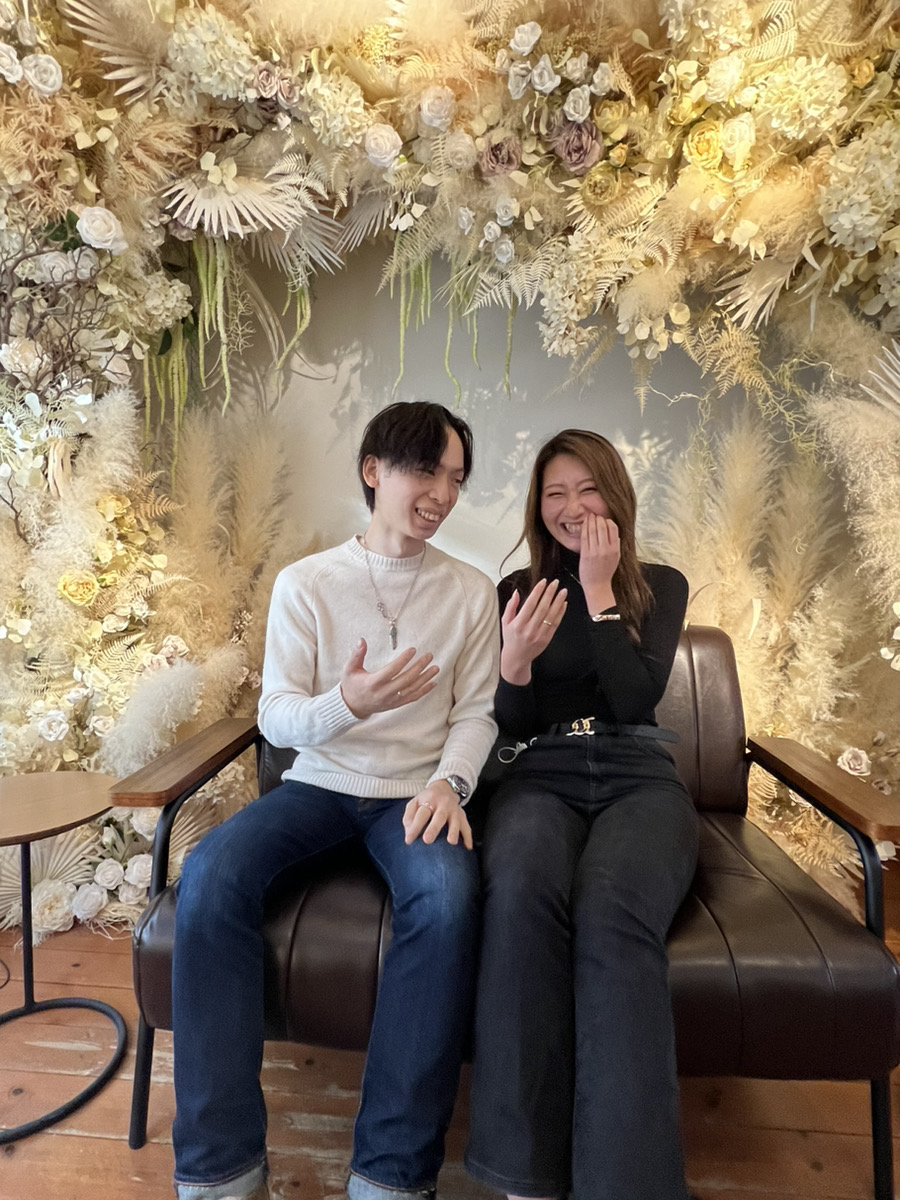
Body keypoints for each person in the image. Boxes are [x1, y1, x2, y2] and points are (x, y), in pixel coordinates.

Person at [171, 401, 500, 1200]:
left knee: (447, 901)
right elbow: (276, 717)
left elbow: (476, 715)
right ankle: (220, 1168)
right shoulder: (307, 582)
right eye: (425, 471)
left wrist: (449, 784)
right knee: (210, 875)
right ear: (373, 471)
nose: (442, 494)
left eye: (456, 478)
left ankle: (391, 1174)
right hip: (318, 785)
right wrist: (347, 703)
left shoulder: (470, 591)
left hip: (414, 794)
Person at [464, 429, 699, 1200]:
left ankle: (625, 1185)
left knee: (612, 906)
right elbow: (516, 724)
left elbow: (634, 701)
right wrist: (513, 664)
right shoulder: (518, 589)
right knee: (520, 891)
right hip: (543, 772)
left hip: (638, 773)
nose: (571, 507)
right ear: (539, 506)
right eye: (555, 493)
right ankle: (523, 1174)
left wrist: (600, 595)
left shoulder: (659, 585)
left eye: (587, 488)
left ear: (615, 495)